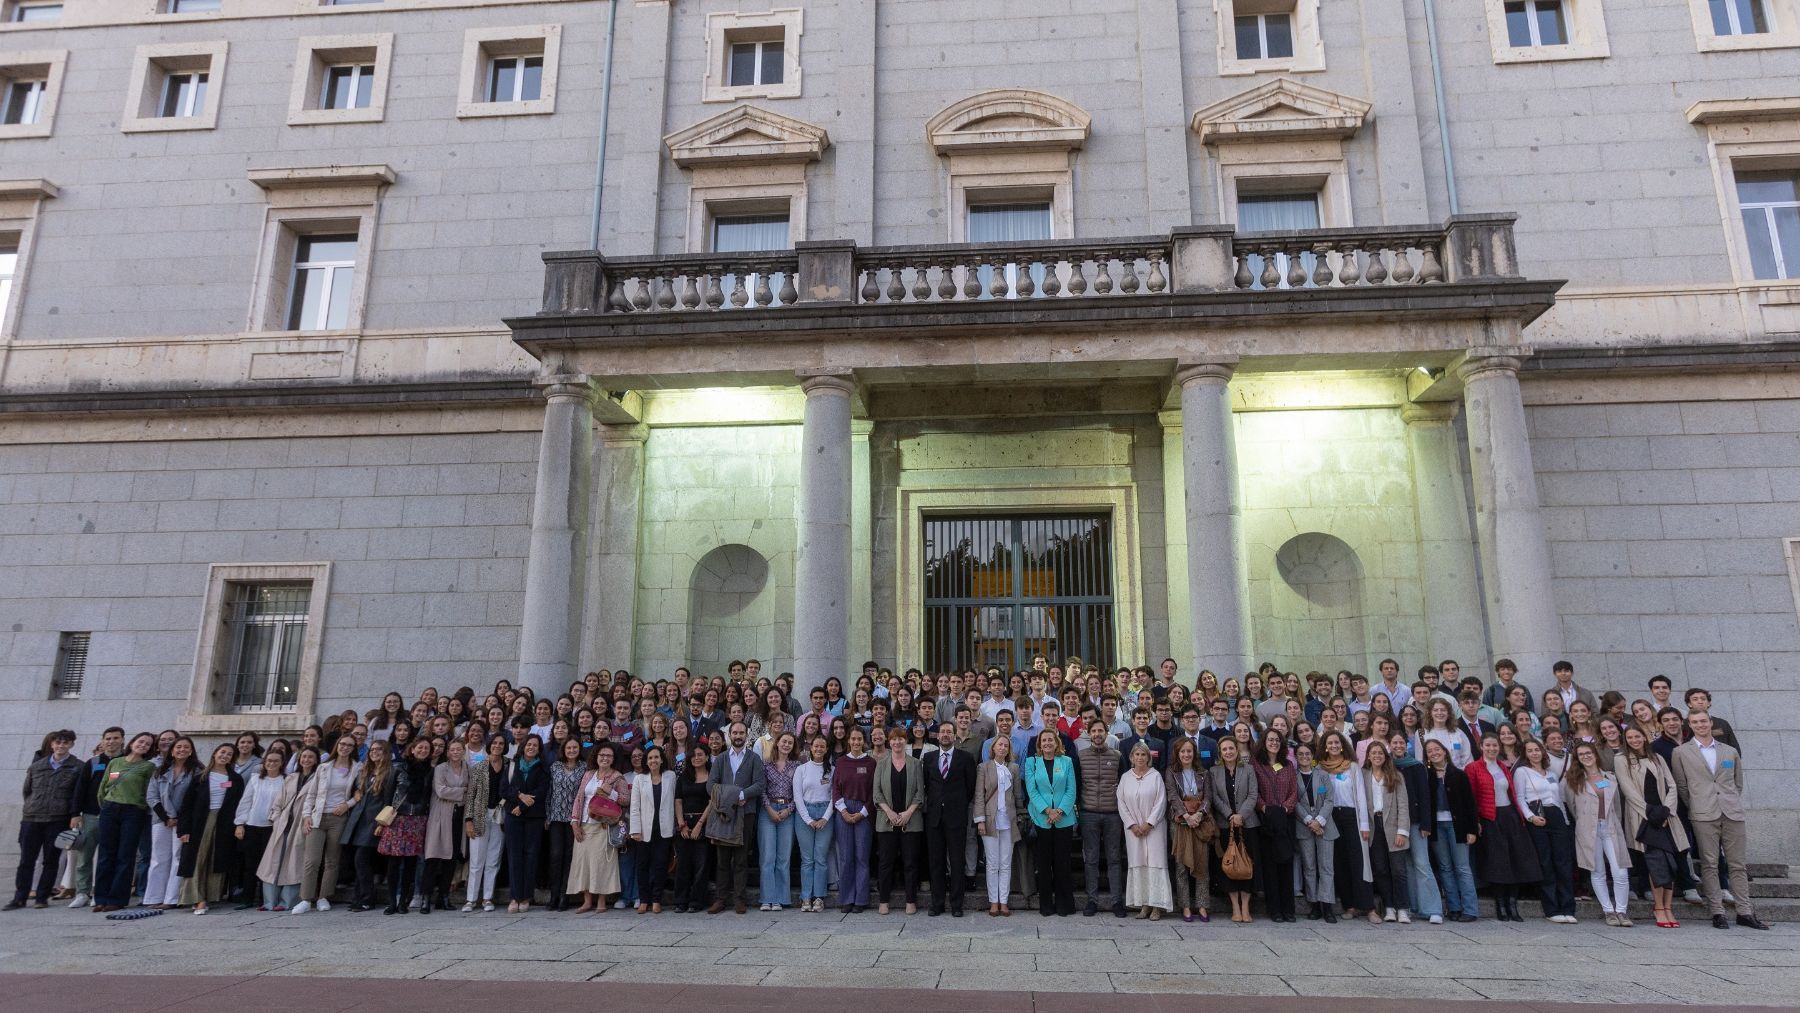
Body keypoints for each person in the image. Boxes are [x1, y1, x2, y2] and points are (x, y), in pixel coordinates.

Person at [1671, 711, 1767, 930]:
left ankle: (1744, 911)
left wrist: (1729, 801)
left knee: (1737, 864)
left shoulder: (1729, 751)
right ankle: (1717, 911)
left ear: (1711, 723)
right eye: (1695, 722)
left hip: (1732, 812)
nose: (1700, 725)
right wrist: (1698, 804)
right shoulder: (1681, 752)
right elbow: (1682, 786)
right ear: (1689, 726)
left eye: (1703, 721)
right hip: (1703, 813)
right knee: (1710, 863)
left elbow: (1737, 782)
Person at [1617, 725, 1687, 929]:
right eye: (1629, 737)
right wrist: (1650, 813)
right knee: (1656, 863)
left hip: (1665, 816)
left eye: (1637, 736)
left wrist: (1666, 811)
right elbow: (1628, 791)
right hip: (1644, 818)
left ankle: (1668, 906)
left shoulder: (1657, 758)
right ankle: (1658, 907)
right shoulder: (1621, 759)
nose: (1634, 740)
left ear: (1643, 737)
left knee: (1670, 862)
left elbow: (1672, 785)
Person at [10, 729, 83, 910]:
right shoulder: (37, 766)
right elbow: (27, 790)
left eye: (65, 743)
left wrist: (73, 814)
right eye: (57, 742)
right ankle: (20, 897)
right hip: (32, 818)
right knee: (27, 860)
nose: (61, 746)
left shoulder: (78, 766)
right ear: (51, 744)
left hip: (58, 819)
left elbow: (77, 794)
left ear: (71, 745)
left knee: (51, 860)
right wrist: (32, 806)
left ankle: (42, 897)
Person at [1563, 741, 1631, 926]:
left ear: (1595, 754)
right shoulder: (1573, 779)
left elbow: (1616, 806)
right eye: (1581, 754)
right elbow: (1572, 806)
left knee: (1620, 871)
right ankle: (1608, 910)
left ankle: (1622, 911)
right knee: (1598, 870)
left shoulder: (1609, 777)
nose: (1585, 756)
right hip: (1587, 829)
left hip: (1610, 827)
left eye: (1588, 753)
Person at [176, 743, 242, 915]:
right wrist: (183, 830)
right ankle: (197, 899)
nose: (225, 756)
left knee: (215, 859)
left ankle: (209, 895)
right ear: (215, 754)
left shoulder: (235, 779)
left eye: (229, 754)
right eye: (222, 752)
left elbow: (238, 804)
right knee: (197, 859)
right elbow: (186, 805)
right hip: (200, 822)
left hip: (223, 823)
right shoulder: (200, 777)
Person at [1419, 739, 1479, 922]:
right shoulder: (1426, 776)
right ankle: (1454, 907)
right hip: (1437, 827)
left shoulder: (1458, 774)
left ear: (1445, 751)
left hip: (1457, 826)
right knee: (1445, 868)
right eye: (1429, 751)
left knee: (1462, 867)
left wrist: (1472, 829)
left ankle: (1470, 909)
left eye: (1437, 749)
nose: (1434, 753)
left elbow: (1470, 804)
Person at [708, 721, 765, 914]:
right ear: (729, 735)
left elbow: (759, 784)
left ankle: (739, 899)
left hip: (745, 814)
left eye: (741, 732)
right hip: (724, 814)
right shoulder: (721, 759)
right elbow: (711, 785)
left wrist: (741, 795)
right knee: (722, 859)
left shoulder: (754, 759)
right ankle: (721, 899)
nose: (738, 736)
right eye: (735, 733)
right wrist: (730, 798)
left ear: (747, 735)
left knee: (741, 859)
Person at [920, 721, 976, 918]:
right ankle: (937, 903)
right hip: (934, 818)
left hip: (956, 817)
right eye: (942, 732)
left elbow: (970, 788)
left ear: (954, 736)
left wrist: (957, 804)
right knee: (936, 862)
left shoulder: (966, 758)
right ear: (937, 735)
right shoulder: (928, 758)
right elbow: (926, 786)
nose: (945, 735)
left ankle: (956, 904)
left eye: (949, 732)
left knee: (957, 861)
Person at [258, 745, 321, 913]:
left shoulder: (318, 777)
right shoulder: (291, 777)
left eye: (310, 757)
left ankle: (288, 901)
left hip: (302, 824)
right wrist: (276, 819)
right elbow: (278, 801)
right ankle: (269, 901)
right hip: (283, 824)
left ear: (316, 760)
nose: (306, 759)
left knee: (294, 862)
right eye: (304, 756)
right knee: (273, 863)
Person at [1024, 728, 1077, 917]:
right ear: (1039, 744)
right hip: (1042, 819)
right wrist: (1047, 810)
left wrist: (1059, 811)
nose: (1047, 743)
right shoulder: (1032, 762)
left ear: (1057, 743)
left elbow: (1071, 789)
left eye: (1050, 740)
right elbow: (1031, 790)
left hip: (1064, 818)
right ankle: (1046, 905)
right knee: (1044, 864)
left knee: (1062, 863)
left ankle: (1065, 905)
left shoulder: (1067, 761)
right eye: (1043, 740)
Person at [1075, 719, 1125, 918]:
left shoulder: (1117, 756)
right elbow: (1078, 784)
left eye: (1100, 730)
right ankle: (1091, 900)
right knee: (1091, 859)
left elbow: (1123, 782)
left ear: (1107, 732)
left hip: (1112, 813)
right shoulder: (1081, 756)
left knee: (1114, 859)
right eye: (1093, 731)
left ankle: (1117, 901)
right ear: (1088, 733)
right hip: (1089, 813)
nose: (1097, 734)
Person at [872, 725, 923, 916]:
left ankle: (911, 900)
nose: (897, 742)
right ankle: (884, 900)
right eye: (894, 739)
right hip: (886, 821)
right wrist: (890, 812)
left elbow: (920, 792)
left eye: (901, 739)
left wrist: (908, 812)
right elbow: (876, 793)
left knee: (910, 862)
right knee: (886, 862)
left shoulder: (915, 763)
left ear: (906, 741)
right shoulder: (881, 764)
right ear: (889, 741)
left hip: (911, 820)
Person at [1116, 741, 1171, 920]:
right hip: (1133, 830)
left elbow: (1161, 802)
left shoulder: (1156, 776)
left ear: (1149, 758)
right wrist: (1132, 824)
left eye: (1143, 755)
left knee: (1155, 863)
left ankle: (1157, 905)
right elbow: (1121, 803)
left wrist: (1149, 823)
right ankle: (1144, 904)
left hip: (1153, 828)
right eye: (1137, 755)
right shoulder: (1125, 778)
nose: (1140, 758)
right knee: (1138, 862)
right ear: (1131, 757)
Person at [570, 742, 627, 913]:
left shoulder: (618, 777)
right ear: (596, 757)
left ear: (613, 759)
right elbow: (579, 798)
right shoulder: (588, 774)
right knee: (584, 864)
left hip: (603, 826)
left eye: (608, 756)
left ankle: (601, 902)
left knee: (602, 864)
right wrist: (574, 822)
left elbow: (626, 800)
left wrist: (612, 792)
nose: (605, 758)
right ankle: (587, 901)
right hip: (585, 824)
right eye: (602, 755)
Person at [144, 735, 199, 909]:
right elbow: (151, 796)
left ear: (191, 751)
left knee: (177, 858)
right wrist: (166, 817)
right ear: (172, 751)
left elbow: (194, 799)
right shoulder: (160, 770)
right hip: (162, 820)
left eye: (186, 747)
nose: (182, 750)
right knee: (158, 858)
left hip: (183, 821)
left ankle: (172, 898)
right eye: (178, 747)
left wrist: (178, 819)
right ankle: (153, 897)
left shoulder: (197, 771)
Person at [380, 737, 433, 914]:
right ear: (412, 749)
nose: (423, 750)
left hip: (417, 819)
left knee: (410, 863)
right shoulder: (399, 768)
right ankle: (391, 901)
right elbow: (388, 794)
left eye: (427, 748)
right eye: (420, 747)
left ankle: (403, 900)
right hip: (398, 818)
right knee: (394, 863)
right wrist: (383, 819)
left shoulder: (430, 771)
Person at [973, 732, 1024, 917]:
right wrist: (980, 820)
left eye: (1006, 745)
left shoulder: (1014, 768)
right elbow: (979, 795)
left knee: (1005, 863)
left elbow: (1018, 796)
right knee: (992, 863)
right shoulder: (984, 767)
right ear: (993, 748)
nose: (1003, 748)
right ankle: (993, 901)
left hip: (1009, 821)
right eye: (1000, 745)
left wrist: (1020, 816)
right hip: (989, 820)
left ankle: (1004, 901)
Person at [1361, 741, 1412, 924]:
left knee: (1398, 870)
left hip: (1392, 825)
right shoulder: (1363, 775)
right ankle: (1389, 906)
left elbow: (1404, 805)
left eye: (1380, 753)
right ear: (1368, 756)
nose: (1377, 756)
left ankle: (1403, 908)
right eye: (1373, 753)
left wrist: (1402, 831)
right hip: (1374, 826)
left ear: (1385, 756)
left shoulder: (1395, 776)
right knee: (1380, 869)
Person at [1250, 729, 1297, 923]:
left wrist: (1285, 809)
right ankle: (1274, 909)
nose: (1274, 743)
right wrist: (1264, 808)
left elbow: (1294, 791)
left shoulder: (1287, 765)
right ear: (1264, 742)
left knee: (1286, 864)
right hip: (1266, 819)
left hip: (1285, 819)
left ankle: (1289, 909)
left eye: (1277, 740)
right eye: (1270, 739)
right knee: (1270, 866)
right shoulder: (1256, 764)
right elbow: (1254, 791)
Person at [1209, 736, 1257, 923]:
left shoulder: (1249, 769)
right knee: (1228, 865)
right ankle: (1235, 908)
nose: (1228, 752)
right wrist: (1230, 815)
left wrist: (1241, 815)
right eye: (1224, 749)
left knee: (1246, 864)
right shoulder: (1214, 771)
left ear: (1237, 750)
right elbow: (1214, 798)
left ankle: (1245, 907)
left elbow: (1253, 794)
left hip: (1247, 824)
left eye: (1231, 748)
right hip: (1225, 824)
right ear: (1220, 752)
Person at [232, 750, 286, 910]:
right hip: (252, 825)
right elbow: (246, 801)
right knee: (250, 864)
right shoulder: (256, 779)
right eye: (269, 760)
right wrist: (239, 823)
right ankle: (247, 898)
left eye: (276, 761)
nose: (272, 764)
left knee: (268, 865)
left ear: (282, 763)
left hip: (272, 827)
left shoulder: (285, 781)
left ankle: (266, 899)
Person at [1292, 742, 1336, 922]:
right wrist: (1310, 821)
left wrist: (1320, 820)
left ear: (1312, 755)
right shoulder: (1292, 777)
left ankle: (1327, 905)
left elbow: (1329, 800)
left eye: (1307, 753)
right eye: (1300, 754)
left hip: (1325, 825)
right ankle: (1314, 904)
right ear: (1295, 756)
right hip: (1304, 825)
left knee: (1326, 867)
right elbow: (1293, 802)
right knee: (1309, 867)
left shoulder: (1323, 775)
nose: (1304, 757)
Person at [461, 735, 505, 912]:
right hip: (480, 815)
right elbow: (470, 796)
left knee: (493, 859)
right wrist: (468, 820)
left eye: (501, 743)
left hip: (500, 816)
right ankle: (471, 899)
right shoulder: (479, 768)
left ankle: (487, 897)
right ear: (489, 746)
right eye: (494, 743)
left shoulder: (509, 766)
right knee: (477, 859)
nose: (498, 746)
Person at [423, 739, 468, 914]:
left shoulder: (467, 769)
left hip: (458, 817)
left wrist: (459, 792)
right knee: (433, 857)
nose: (455, 752)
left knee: (452, 859)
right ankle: (426, 898)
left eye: (459, 749)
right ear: (448, 752)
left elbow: (471, 790)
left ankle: (444, 896)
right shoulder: (440, 769)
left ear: (463, 752)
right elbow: (441, 790)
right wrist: (462, 791)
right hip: (440, 817)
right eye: (452, 749)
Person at [631, 745, 677, 913]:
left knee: (660, 865)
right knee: (642, 865)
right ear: (646, 761)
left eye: (656, 757)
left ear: (662, 759)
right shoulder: (639, 779)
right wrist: (635, 829)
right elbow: (635, 807)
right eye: (650, 758)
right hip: (644, 830)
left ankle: (656, 899)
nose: (653, 761)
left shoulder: (670, 776)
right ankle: (644, 899)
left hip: (664, 829)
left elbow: (674, 801)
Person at [757, 731, 800, 912]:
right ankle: (767, 898)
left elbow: (799, 793)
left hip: (788, 812)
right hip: (768, 811)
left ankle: (781, 898)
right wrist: (770, 810)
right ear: (777, 744)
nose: (786, 745)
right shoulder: (766, 766)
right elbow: (762, 790)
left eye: (790, 742)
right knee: (768, 856)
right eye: (784, 741)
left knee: (783, 857)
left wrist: (787, 811)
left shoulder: (797, 766)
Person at [793, 735, 835, 913]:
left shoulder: (832, 770)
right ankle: (805, 897)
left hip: (826, 813)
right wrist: (808, 819)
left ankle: (819, 897)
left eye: (822, 747)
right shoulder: (801, 769)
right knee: (807, 859)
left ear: (826, 750)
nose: (818, 749)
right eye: (816, 746)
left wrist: (825, 817)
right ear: (811, 748)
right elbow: (797, 797)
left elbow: (835, 796)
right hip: (805, 815)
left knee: (820, 858)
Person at [672, 742, 714, 913]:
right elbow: (678, 801)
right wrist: (681, 824)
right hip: (684, 824)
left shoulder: (712, 777)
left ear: (707, 757)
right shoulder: (683, 778)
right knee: (683, 864)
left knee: (701, 865)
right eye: (693, 755)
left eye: (700, 755)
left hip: (703, 822)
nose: (696, 758)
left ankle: (696, 901)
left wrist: (699, 825)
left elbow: (712, 802)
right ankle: (680, 901)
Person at [544, 736, 585, 912]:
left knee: (570, 857)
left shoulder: (584, 767)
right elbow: (549, 792)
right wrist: (547, 816)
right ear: (564, 750)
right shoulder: (555, 767)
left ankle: (564, 896)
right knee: (555, 856)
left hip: (574, 819)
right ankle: (553, 895)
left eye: (575, 747)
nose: (571, 751)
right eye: (568, 748)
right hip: (555, 817)